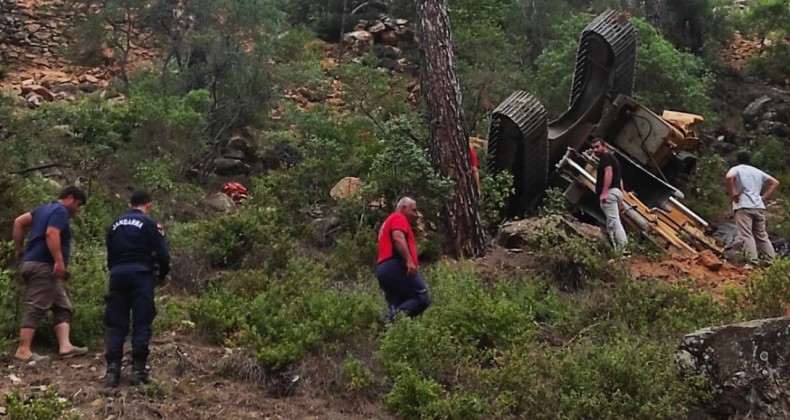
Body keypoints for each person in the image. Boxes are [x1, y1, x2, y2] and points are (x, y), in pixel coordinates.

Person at [13, 185, 89, 362]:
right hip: (45, 267)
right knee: (37, 306)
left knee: (63, 307)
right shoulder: (60, 211)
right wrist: (59, 261)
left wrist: (20, 249)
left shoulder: (42, 210)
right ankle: (23, 350)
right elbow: (51, 233)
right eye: (78, 205)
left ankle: (65, 346)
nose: (77, 210)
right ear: (69, 198)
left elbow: (18, 222)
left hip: (33, 264)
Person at [104, 190, 170, 386]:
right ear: (148, 206)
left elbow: (110, 252)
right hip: (141, 275)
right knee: (142, 322)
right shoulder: (150, 224)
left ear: (129, 205)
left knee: (116, 324)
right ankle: (138, 371)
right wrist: (162, 275)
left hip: (117, 275)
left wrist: (114, 271)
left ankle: (112, 370)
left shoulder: (115, 224)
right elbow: (163, 254)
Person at [375, 197, 430, 320]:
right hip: (396, 265)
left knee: (399, 305)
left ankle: (392, 330)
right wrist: (409, 261)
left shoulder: (388, 221)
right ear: (403, 208)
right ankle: (389, 320)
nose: (416, 215)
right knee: (421, 298)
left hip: (383, 269)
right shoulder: (398, 218)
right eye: (414, 210)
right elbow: (398, 239)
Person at [725, 151, 779, 265]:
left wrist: (733, 193)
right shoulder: (757, 171)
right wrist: (764, 198)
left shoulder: (736, 169)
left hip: (743, 206)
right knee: (762, 235)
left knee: (746, 234)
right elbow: (775, 183)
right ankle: (772, 261)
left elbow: (729, 177)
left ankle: (752, 261)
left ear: (737, 159)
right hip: (758, 206)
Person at [591, 138, 628, 251]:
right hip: (616, 192)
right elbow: (620, 179)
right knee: (612, 222)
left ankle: (623, 249)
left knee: (614, 222)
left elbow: (608, 173)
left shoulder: (605, 157)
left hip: (610, 193)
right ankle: (618, 249)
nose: (595, 150)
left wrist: (604, 192)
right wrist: (621, 199)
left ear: (604, 146)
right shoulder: (613, 158)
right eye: (593, 148)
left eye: (597, 147)